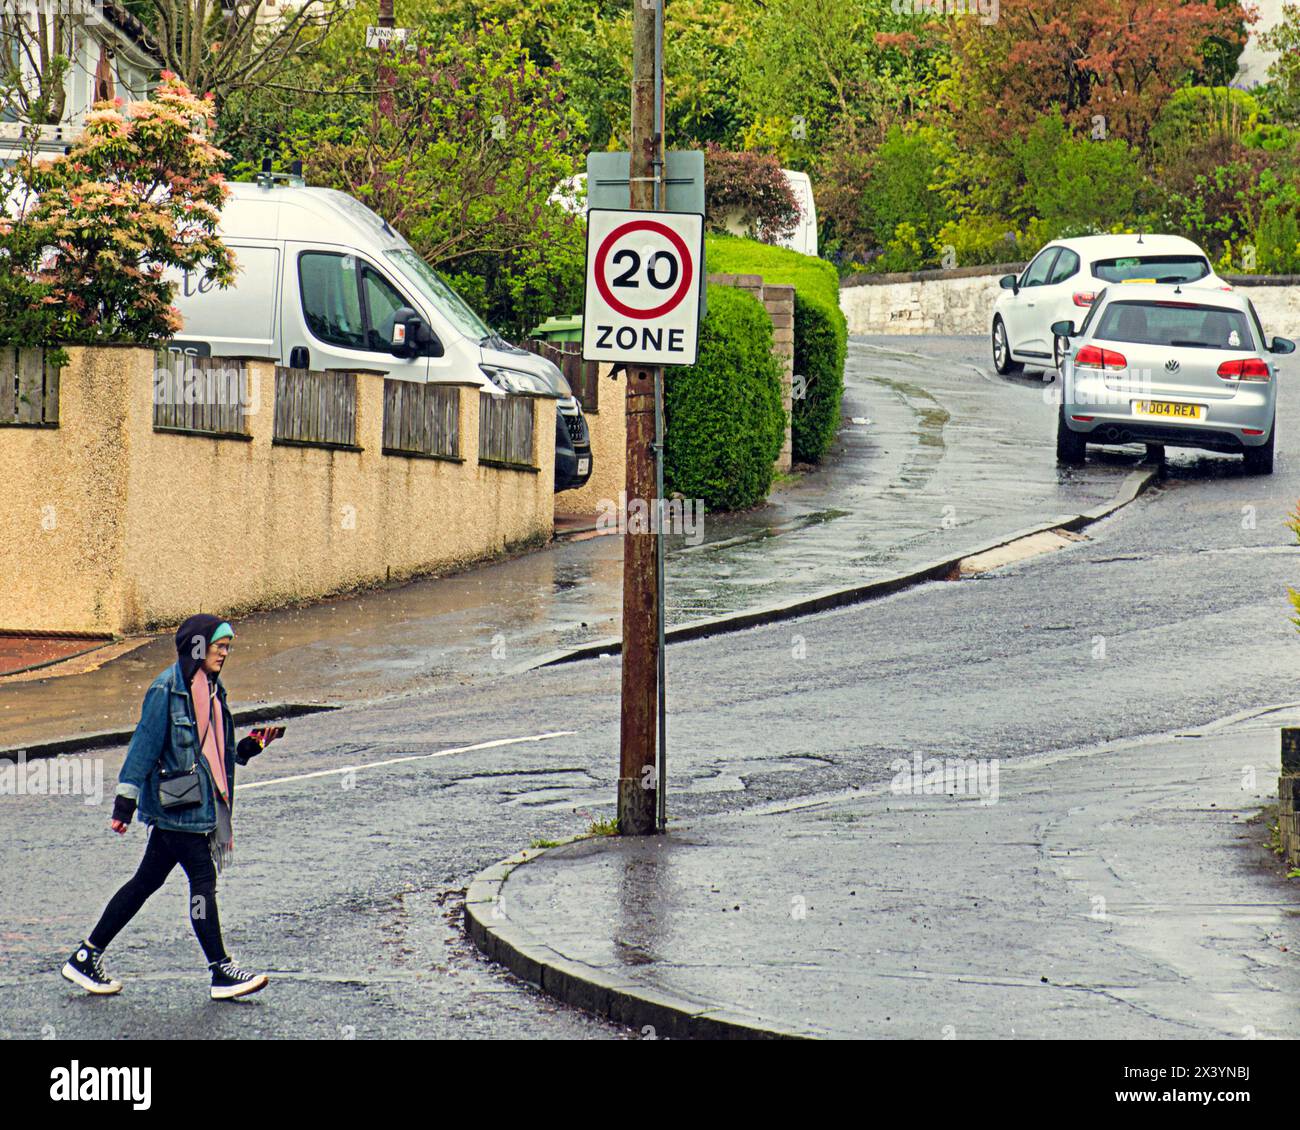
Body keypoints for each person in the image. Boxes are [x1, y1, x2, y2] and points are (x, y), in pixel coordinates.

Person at [61, 614, 282, 1001]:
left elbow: (212, 750)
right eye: (219, 646)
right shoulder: (167, 690)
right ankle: (220, 970)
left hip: (197, 806)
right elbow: (144, 746)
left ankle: (85, 955)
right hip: (179, 808)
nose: (225, 654)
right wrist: (124, 803)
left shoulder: (211, 688)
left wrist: (248, 747)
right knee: (202, 883)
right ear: (198, 646)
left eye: (227, 647)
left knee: (144, 883)